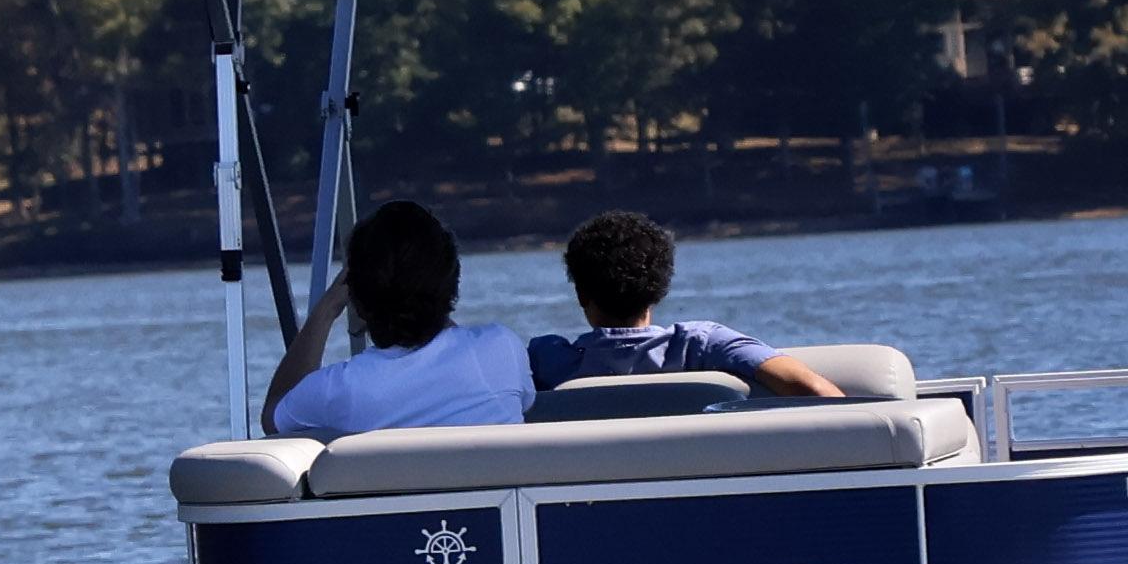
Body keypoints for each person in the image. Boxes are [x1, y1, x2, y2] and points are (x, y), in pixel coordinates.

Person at [265, 199, 532, 436]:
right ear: (452, 283)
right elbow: (525, 402)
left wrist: (326, 310)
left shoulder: (344, 389)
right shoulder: (500, 347)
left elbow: (273, 416)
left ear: (356, 296)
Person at [523, 211, 844, 399]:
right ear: (659, 290)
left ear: (581, 295)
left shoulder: (547, 359)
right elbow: (816, 391)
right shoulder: (702, 346)